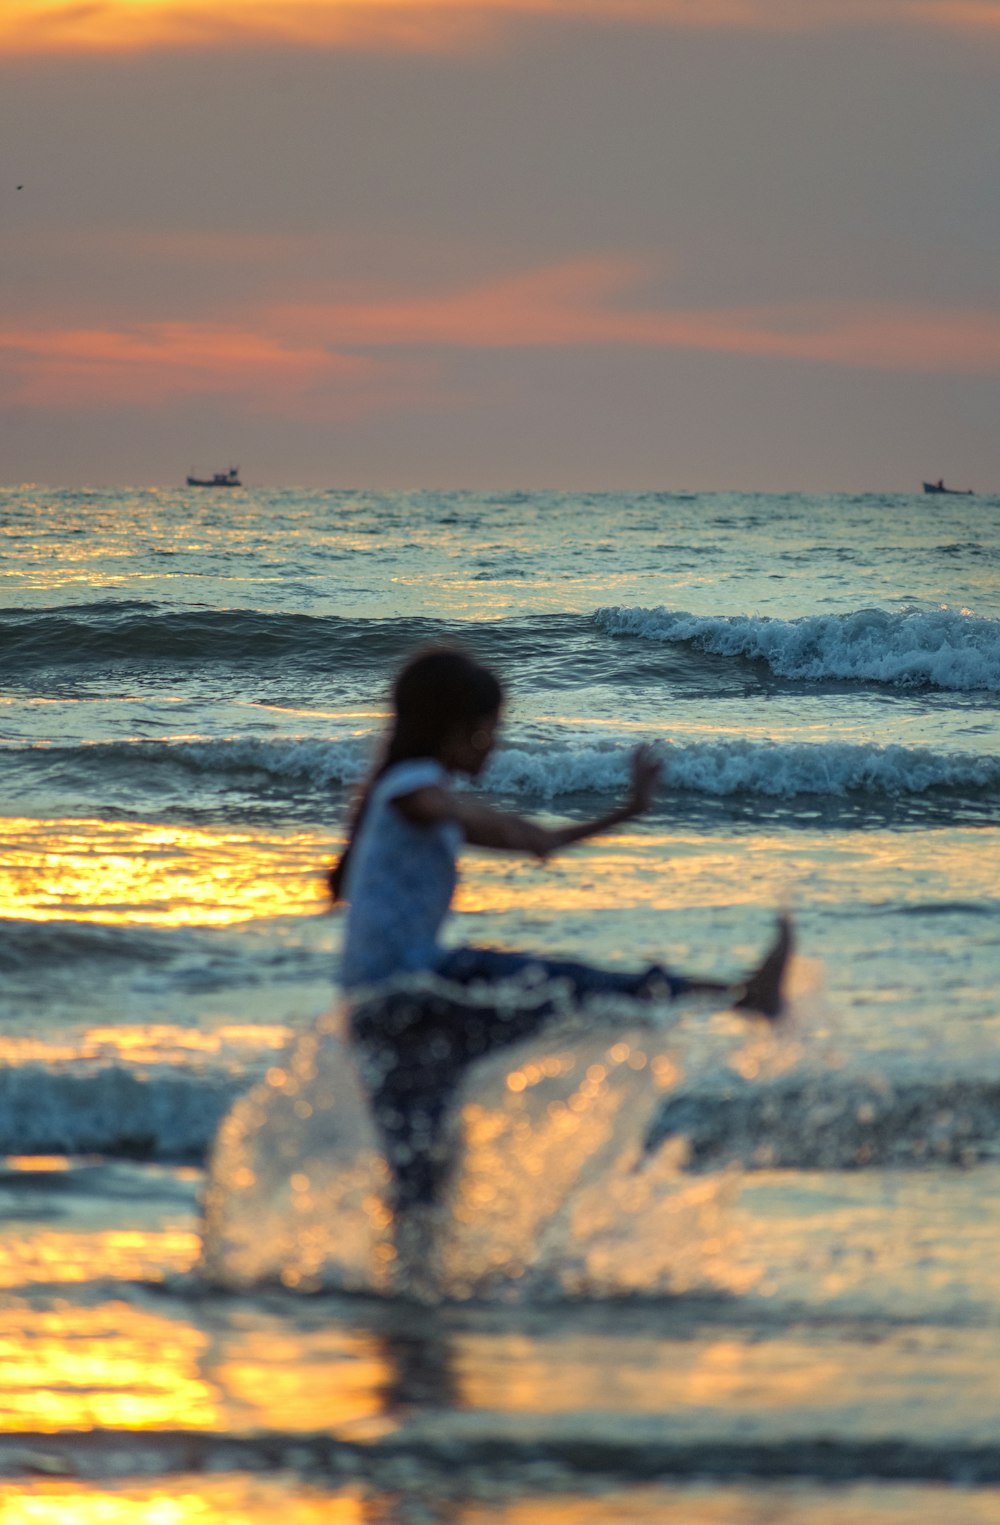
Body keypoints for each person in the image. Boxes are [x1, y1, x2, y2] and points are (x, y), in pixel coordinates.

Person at [330, 646, 792, 1214]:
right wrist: (519, 824)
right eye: (488, 730)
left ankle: (410, 1292)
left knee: (422, 1174)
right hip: (417, 993)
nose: (495, 744)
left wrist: (627, 813)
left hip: (378, 1014)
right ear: (454, 729)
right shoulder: (412, 786)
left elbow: (538, 841)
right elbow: (464, 815)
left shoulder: (400, 792)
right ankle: (740, 996)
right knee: (576, 987)